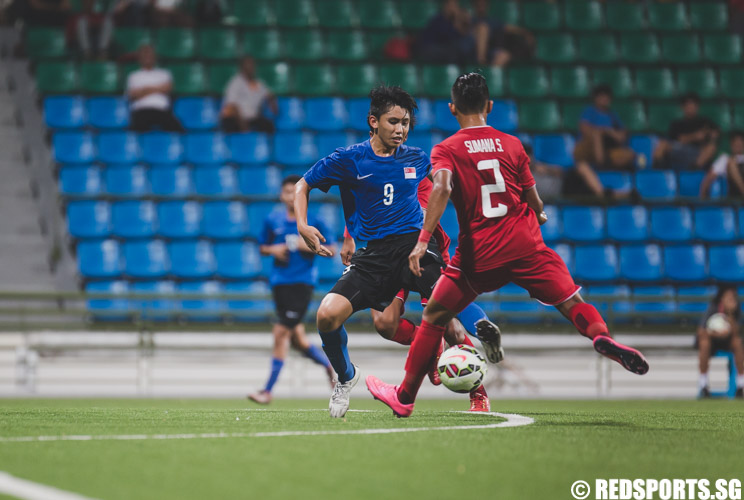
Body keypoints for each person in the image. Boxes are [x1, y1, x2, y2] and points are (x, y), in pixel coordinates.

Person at [366, 73, 649, 417]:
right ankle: (600, 336)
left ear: (453, 109)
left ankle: (405, 396)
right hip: (527, 245)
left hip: (479, 254)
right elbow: (533, 198)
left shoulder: (448, 149)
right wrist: (540, 213)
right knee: (571, 301)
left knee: (434, 316)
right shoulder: (512, 144)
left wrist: (422, 240)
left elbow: (440, 189)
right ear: (489, 106)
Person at [295, 85, 455, 418]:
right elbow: (303, 185)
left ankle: (473, 386)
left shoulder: (417, 158)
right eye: (393, 121)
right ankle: (345, 377)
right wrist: (302, 225)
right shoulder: (349, 158)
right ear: (373, 121)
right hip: (376, 255)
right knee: (326, 315)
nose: (400, 129)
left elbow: (443, 189)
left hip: (415, 245)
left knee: (446, 307)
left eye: (406, 123)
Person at [340, 174, 504, 412]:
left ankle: (478, 393)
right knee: (385, 324)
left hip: (422, 252)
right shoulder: (373, 171)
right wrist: (349, 237)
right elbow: (361, 204)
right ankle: (429, 342)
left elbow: (421, 217)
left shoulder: (416, 176)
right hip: (386, 255)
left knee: (449, 325)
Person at [248, 175, 336, 404]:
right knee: (297, 340)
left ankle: (266, 391)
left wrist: (310, 246)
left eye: (294, 192)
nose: (290, 196)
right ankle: (329, 366)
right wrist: (273, 250)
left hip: (302, 283)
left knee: (280, 333)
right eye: (287, 192)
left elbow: (333, 249)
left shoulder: (314, 221)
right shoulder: (272, 220)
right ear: (281, 195)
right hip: (279, 283)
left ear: (303, 195)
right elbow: (261, 247)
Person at [570, 84, 636, 200]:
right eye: (601, 97)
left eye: (607, 97)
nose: (605, 100)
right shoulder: (589, 111)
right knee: (597, 135)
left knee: (631, 154)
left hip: (607, 153)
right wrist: (603, 132)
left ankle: (606, 170)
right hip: (587, 150)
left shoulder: (612, 115)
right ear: (596, 98)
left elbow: (621, 136)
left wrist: (609, 132)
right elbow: (584, 129)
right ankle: (601, 165)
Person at [695, 286, 744, 399]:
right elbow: (701, 331)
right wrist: (717, 333)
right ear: (722, 298)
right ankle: (704, 385)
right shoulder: (713, 308)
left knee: (738, 342)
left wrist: (730, 313)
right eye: (729, 297)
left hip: (727, 341)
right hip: (712, 340)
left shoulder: (736, 310)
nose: (731, 300)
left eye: (733, 298)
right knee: (704, 343)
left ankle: (741, 386)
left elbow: (736, 332)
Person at [653, 93, 719, 171]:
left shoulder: (705, 122)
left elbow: (715, 134)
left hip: (697, 153)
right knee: (662, 144)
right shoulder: (677, 124)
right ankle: (658, 172)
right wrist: (695, 136)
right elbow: (677, 140)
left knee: (711, 147)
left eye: (693, 105)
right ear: (683, 107)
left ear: (697, 107)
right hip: (679, 151)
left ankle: (694, 169)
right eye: (687, 105)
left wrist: (711, 135)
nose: (690, 108)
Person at [126, 44, 183, 133]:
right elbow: (133, 95)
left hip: (161, 110)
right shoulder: (134, 76)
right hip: (141, 110)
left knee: (178, 129)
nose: (147, 57)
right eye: (145, 55)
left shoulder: (164, 73)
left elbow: (168, 88)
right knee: (134, 131)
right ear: (140, 58)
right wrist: (158, 89)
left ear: (155, 57)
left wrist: (145, 90)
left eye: (150, 55)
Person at [220, 56, 277, 134]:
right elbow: (232, 107)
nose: (251, 67)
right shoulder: (235, 83)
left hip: (252, 118)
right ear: (242, 67)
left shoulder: (259, 83)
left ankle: (265, 145)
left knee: (268, 125)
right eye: (248, 65)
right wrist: (243, 125)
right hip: (236, 118)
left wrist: (272, 101)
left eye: (252, 65)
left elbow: (269, 95)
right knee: (230, 125)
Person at [470, 0, 534, 66]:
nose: (481, 8)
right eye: (478, 5)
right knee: (483, 28)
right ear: (474, 6)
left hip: (491, 50)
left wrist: (526, 34)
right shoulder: (470, 20)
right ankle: (481, 61)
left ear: (487, 6)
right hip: (473, 49)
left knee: (504, 55)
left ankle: (490, 74)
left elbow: (510, 28)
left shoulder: (493, 21)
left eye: (483, 5)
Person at [414, 0, 476, 65]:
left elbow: (462, 35)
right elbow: (449, 37)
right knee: (455, 51)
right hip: (428, 49)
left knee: (463, 46)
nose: (454, 8)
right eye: (452, 5)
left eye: (455, 5)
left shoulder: (451, 20)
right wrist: (457, 18)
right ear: (446, 6)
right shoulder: (438, 19)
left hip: (442, 49)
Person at [700, 131, 744, 199]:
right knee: (731, 162)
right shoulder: (725, 159)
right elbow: (708, 178)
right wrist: (702, 197)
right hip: (736, 196)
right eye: (735, 143)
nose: (738, 145)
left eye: (740, 143)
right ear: (731, 145)